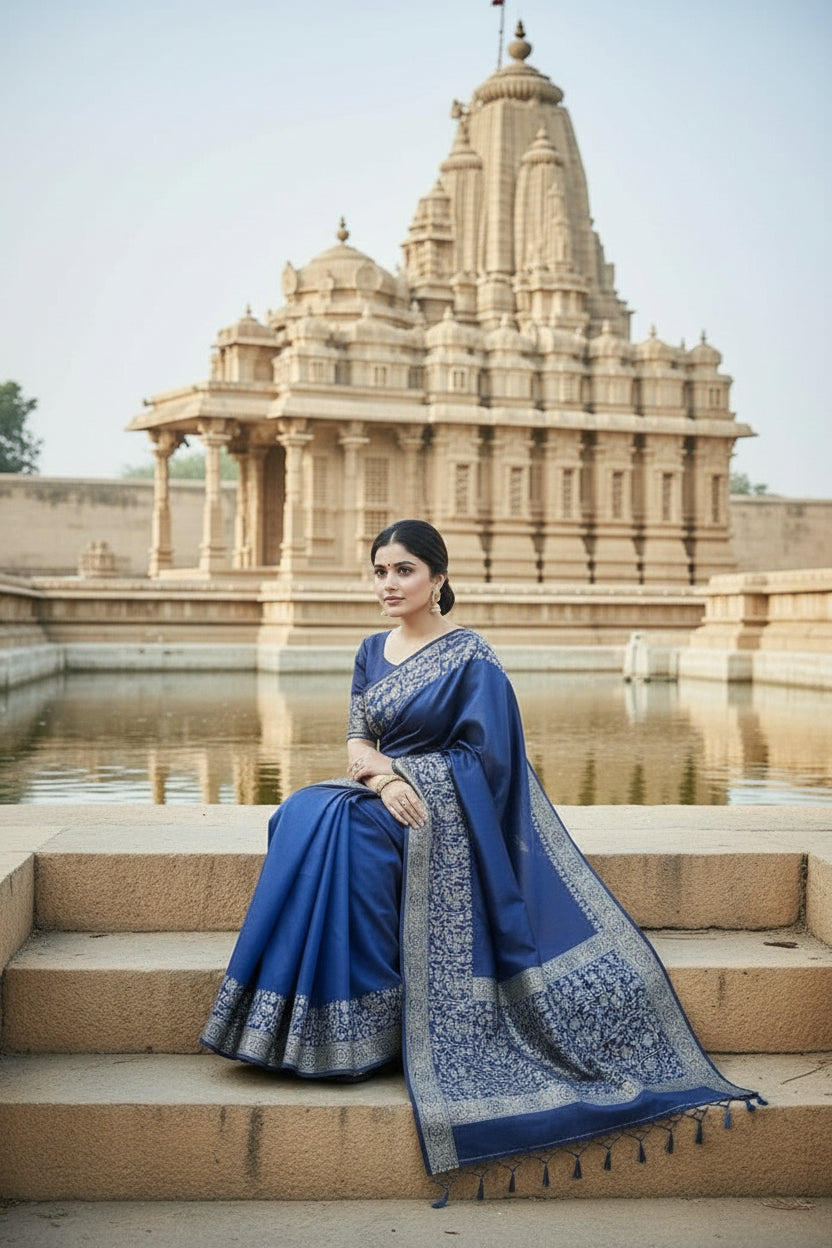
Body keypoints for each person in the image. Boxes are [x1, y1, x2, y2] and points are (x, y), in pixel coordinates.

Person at [200, 519, 760, 1190]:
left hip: (449, 813)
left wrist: (408, 778)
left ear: (437, 578)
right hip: (387, 796)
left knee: (349, 835)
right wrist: (382, 780)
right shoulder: (371, 650)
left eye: (403, 570)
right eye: (379, 572)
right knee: (301, 812)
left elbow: (489, 761)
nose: (387, 584)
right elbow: (357, 740)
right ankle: (306, 1026)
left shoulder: (471, 656)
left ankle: (371, 1030)